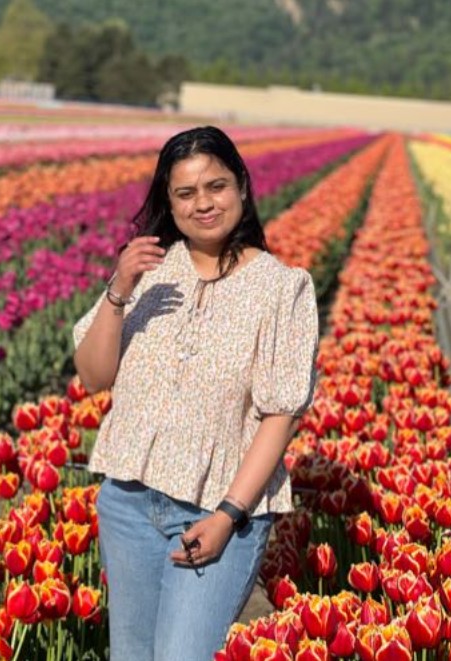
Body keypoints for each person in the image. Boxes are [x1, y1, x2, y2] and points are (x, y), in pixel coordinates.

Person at [72, 125, 319, 661]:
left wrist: (229, 515)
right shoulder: (150, 272)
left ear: (242, 187)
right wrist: (119, 289)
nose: (203, 204)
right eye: (185, 193)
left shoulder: (282, 288)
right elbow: (93, 376)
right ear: (169, 202)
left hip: (216, 514)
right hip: (128, 505)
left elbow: (281, 415)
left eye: (216, 186)